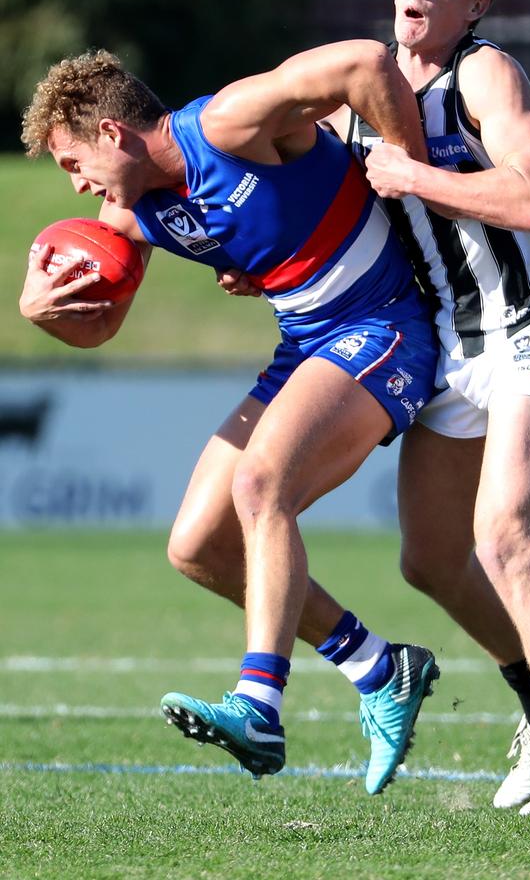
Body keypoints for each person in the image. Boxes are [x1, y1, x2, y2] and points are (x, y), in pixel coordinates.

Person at [220, 0, 530, 814]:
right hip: (450, 351)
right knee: (431, 560)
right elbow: (317, 209)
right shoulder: (354, 104)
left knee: (505, 541)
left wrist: (417, 177)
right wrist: (262, 267)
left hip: (529, 332)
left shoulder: (485, 78)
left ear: (475, 5)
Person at [19, 40, 442, 793]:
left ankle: (258, 706)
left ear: (113, 134)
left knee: (260, 486)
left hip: (384, 327)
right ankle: (380, 668)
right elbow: (99, 327)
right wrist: (37, 305)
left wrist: (414, 182)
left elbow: (368, 67)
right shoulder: (133, 208)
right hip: (306, 342)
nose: (78, 187)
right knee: (198, 546)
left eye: (72, 163)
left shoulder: (227, 123)